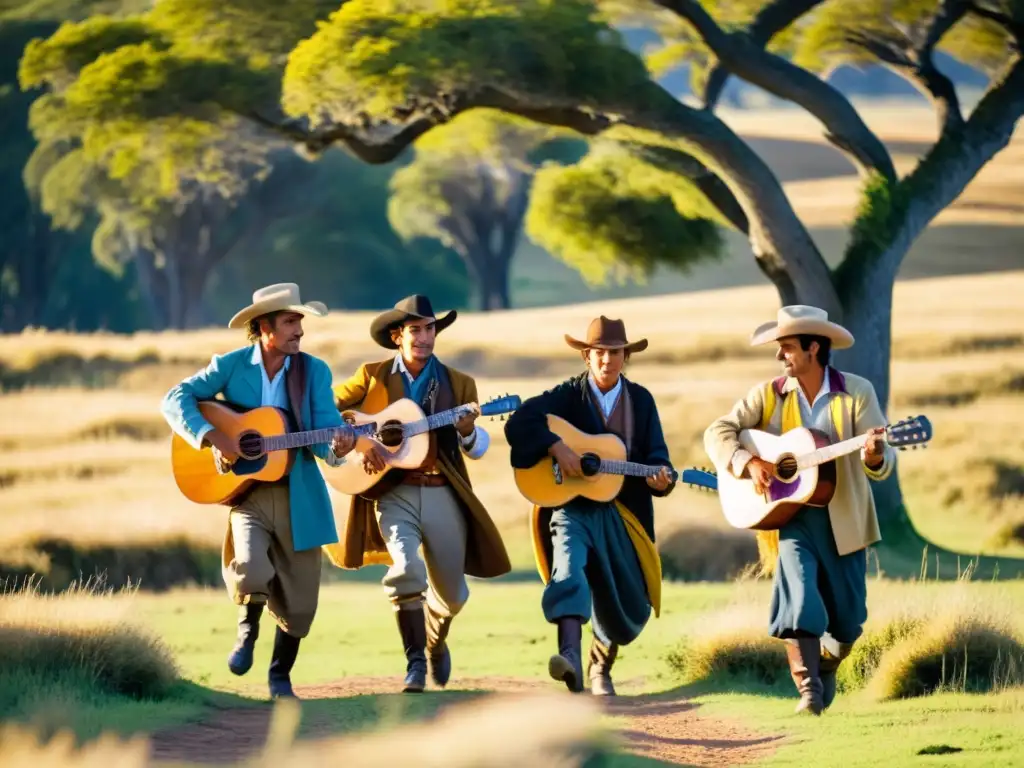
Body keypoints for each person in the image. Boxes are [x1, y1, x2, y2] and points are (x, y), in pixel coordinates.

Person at [161, 283, 356, 699]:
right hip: (247, 495)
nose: (299, 330)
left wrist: (339, 446)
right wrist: (213, 436)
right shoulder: (230, 366)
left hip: (299, 494)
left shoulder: (314, 372)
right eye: (290, 321)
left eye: (300, 321)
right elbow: (175, 398)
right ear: (263, 327)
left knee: (301, 606)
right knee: (249, 567)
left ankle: (279, 676)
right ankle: (246, 633)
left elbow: (324, 430)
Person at [703, 305, 896, 715]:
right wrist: (748, 462)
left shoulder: (856, 391)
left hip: (844, 519)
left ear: (813, 348)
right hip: (790, 518)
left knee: (848, 621)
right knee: (800, 596)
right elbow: (717, 431)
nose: (779, 356)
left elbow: (881, 461)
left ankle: (827, 659)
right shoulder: (768, 394)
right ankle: (808, 691)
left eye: (787, 347)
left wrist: (876, 455)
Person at [323, 294, 511, 692]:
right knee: (406, 569)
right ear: (397, 337)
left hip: (443, 490)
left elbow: (477, 449)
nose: (425, 337)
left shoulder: (459, 383)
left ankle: (434, 640)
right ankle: (414, 666)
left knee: (454, 596)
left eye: (430, 329)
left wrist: (466, 430)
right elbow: (324, 412)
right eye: (416, 330)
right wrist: (359, 443)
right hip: (392, 493)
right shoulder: (371, 376)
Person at [503, 316, 675, 695]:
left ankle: (600, 667)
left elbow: (657, 458)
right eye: (599, 352)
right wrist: (556, 445)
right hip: (572, 507)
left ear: (625, 356)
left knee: (620, 593)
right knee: (568, 569)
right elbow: (519, 423)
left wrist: (660, 478)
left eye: (615, 353)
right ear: (586, 355)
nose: (607, 360)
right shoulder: (567, 394)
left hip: (623, 513)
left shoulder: (641, 401)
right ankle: (569, 658)